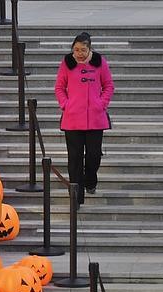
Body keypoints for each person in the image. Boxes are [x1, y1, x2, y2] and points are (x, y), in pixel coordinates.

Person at [54, 32, 114, 205]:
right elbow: (59, 87)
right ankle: (76, 198)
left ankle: (90, 181)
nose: (79, 53)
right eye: (76, 49)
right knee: (74, 159)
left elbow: (109, 85)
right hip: (72, 119)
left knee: (94, 155)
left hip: (96, 118)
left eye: (83, 49)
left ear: (90, 49)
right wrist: (66, 104)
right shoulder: (67, 63)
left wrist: (101, 104)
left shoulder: (100, 62)